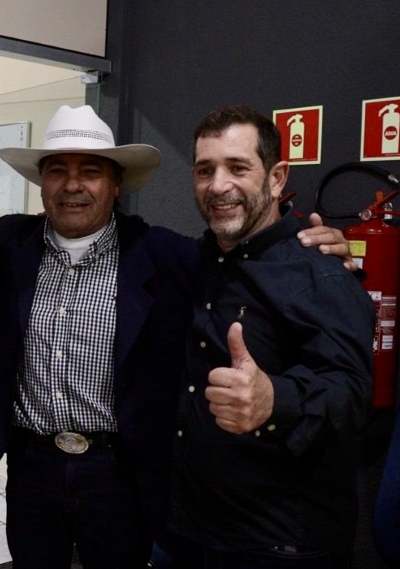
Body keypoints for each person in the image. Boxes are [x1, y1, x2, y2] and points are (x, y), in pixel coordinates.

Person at [0, 105, 351, 568]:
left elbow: (241, 257)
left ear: (116, 184)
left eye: (90, 172)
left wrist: (307, 244)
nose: (72, 185)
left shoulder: (166, 257)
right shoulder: (10, 245)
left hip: (119, 473)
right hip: (32, 469)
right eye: (57, 170)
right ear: (41, 183)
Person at [166, 105, 375, 568]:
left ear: (277, 178)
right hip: (192, 528)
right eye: (205, 170)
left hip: (279, 543)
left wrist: (274, 400)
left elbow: (354, 394)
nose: (218, 185)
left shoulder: (321, 273)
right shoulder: (196, 262)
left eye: (237, 167)